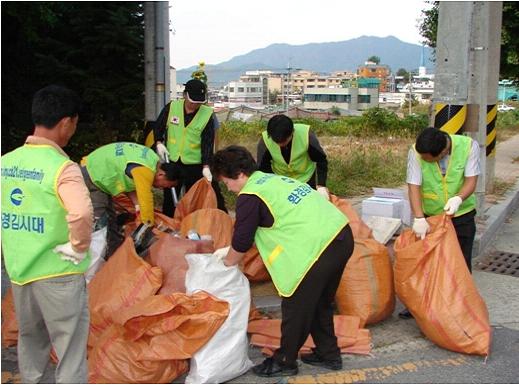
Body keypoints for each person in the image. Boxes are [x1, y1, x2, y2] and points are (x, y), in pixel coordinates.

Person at [211, 145, 354, 377]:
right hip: (341, 235)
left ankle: (285, 360)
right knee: (319, 303)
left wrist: (225, 266)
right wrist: (232, 249)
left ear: (239, 174)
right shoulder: (270, 180)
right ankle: (329, 355)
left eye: (226, 181)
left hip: (318, 249)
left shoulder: (250, 195)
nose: (227, 187)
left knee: (295, 306)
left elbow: (242, 242)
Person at [1, 85, 93, 383]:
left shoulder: (6, 164)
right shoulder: (62, 168)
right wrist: (79, 247)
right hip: (59, 276)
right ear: (66, 121)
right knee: (70, 353)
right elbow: (80, 213)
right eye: (74, 124)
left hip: (20, 274)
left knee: (31, 344)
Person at [399, 126, 480, 319]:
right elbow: (414, 186)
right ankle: (418, 305)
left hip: (461, 215)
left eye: (429, 159)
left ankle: (460, 308)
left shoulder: (469, 146)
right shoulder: (416, 152)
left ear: (442, 152)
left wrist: (458, 198)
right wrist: (419, 217)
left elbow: (471, 180)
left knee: (460, 262)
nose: (425, 160)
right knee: (425, 263)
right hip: (430, 217)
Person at [80, 142, 182, 258]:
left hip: (96, 169)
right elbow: (146, 199)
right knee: (99, 225)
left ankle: (115, 258)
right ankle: (92, 268)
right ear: (161, 175)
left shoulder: (151, 159)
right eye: (166, 186)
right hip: (94, 176)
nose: (162, 188)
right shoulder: (146, 171)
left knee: (111, 220)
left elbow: (129, 183)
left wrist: (138, 209)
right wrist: (147, 224)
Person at [153, 78, 227, 216]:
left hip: (195, 164)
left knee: (193, 197)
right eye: (193, 101)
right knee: (170, 196)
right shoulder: (172, 107)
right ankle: (169, 224)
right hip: (173, 160)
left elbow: (208, 142)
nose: (195, 105)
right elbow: (158, 126)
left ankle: (192, 224)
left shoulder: (207, 114)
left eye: (199, 102)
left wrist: (206, 166)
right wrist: (158, 142)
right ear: (185, 95)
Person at [257, 114, 330, 199]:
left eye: (284, 141)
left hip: (306, 177)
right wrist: (273, 185)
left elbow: (321, 160)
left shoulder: (306, 135)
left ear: (292, 132)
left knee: (308, 204)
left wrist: (321, 185)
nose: (281, 144)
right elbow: (263, 168)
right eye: (276, 141)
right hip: (280, 179)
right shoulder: (265, 141)